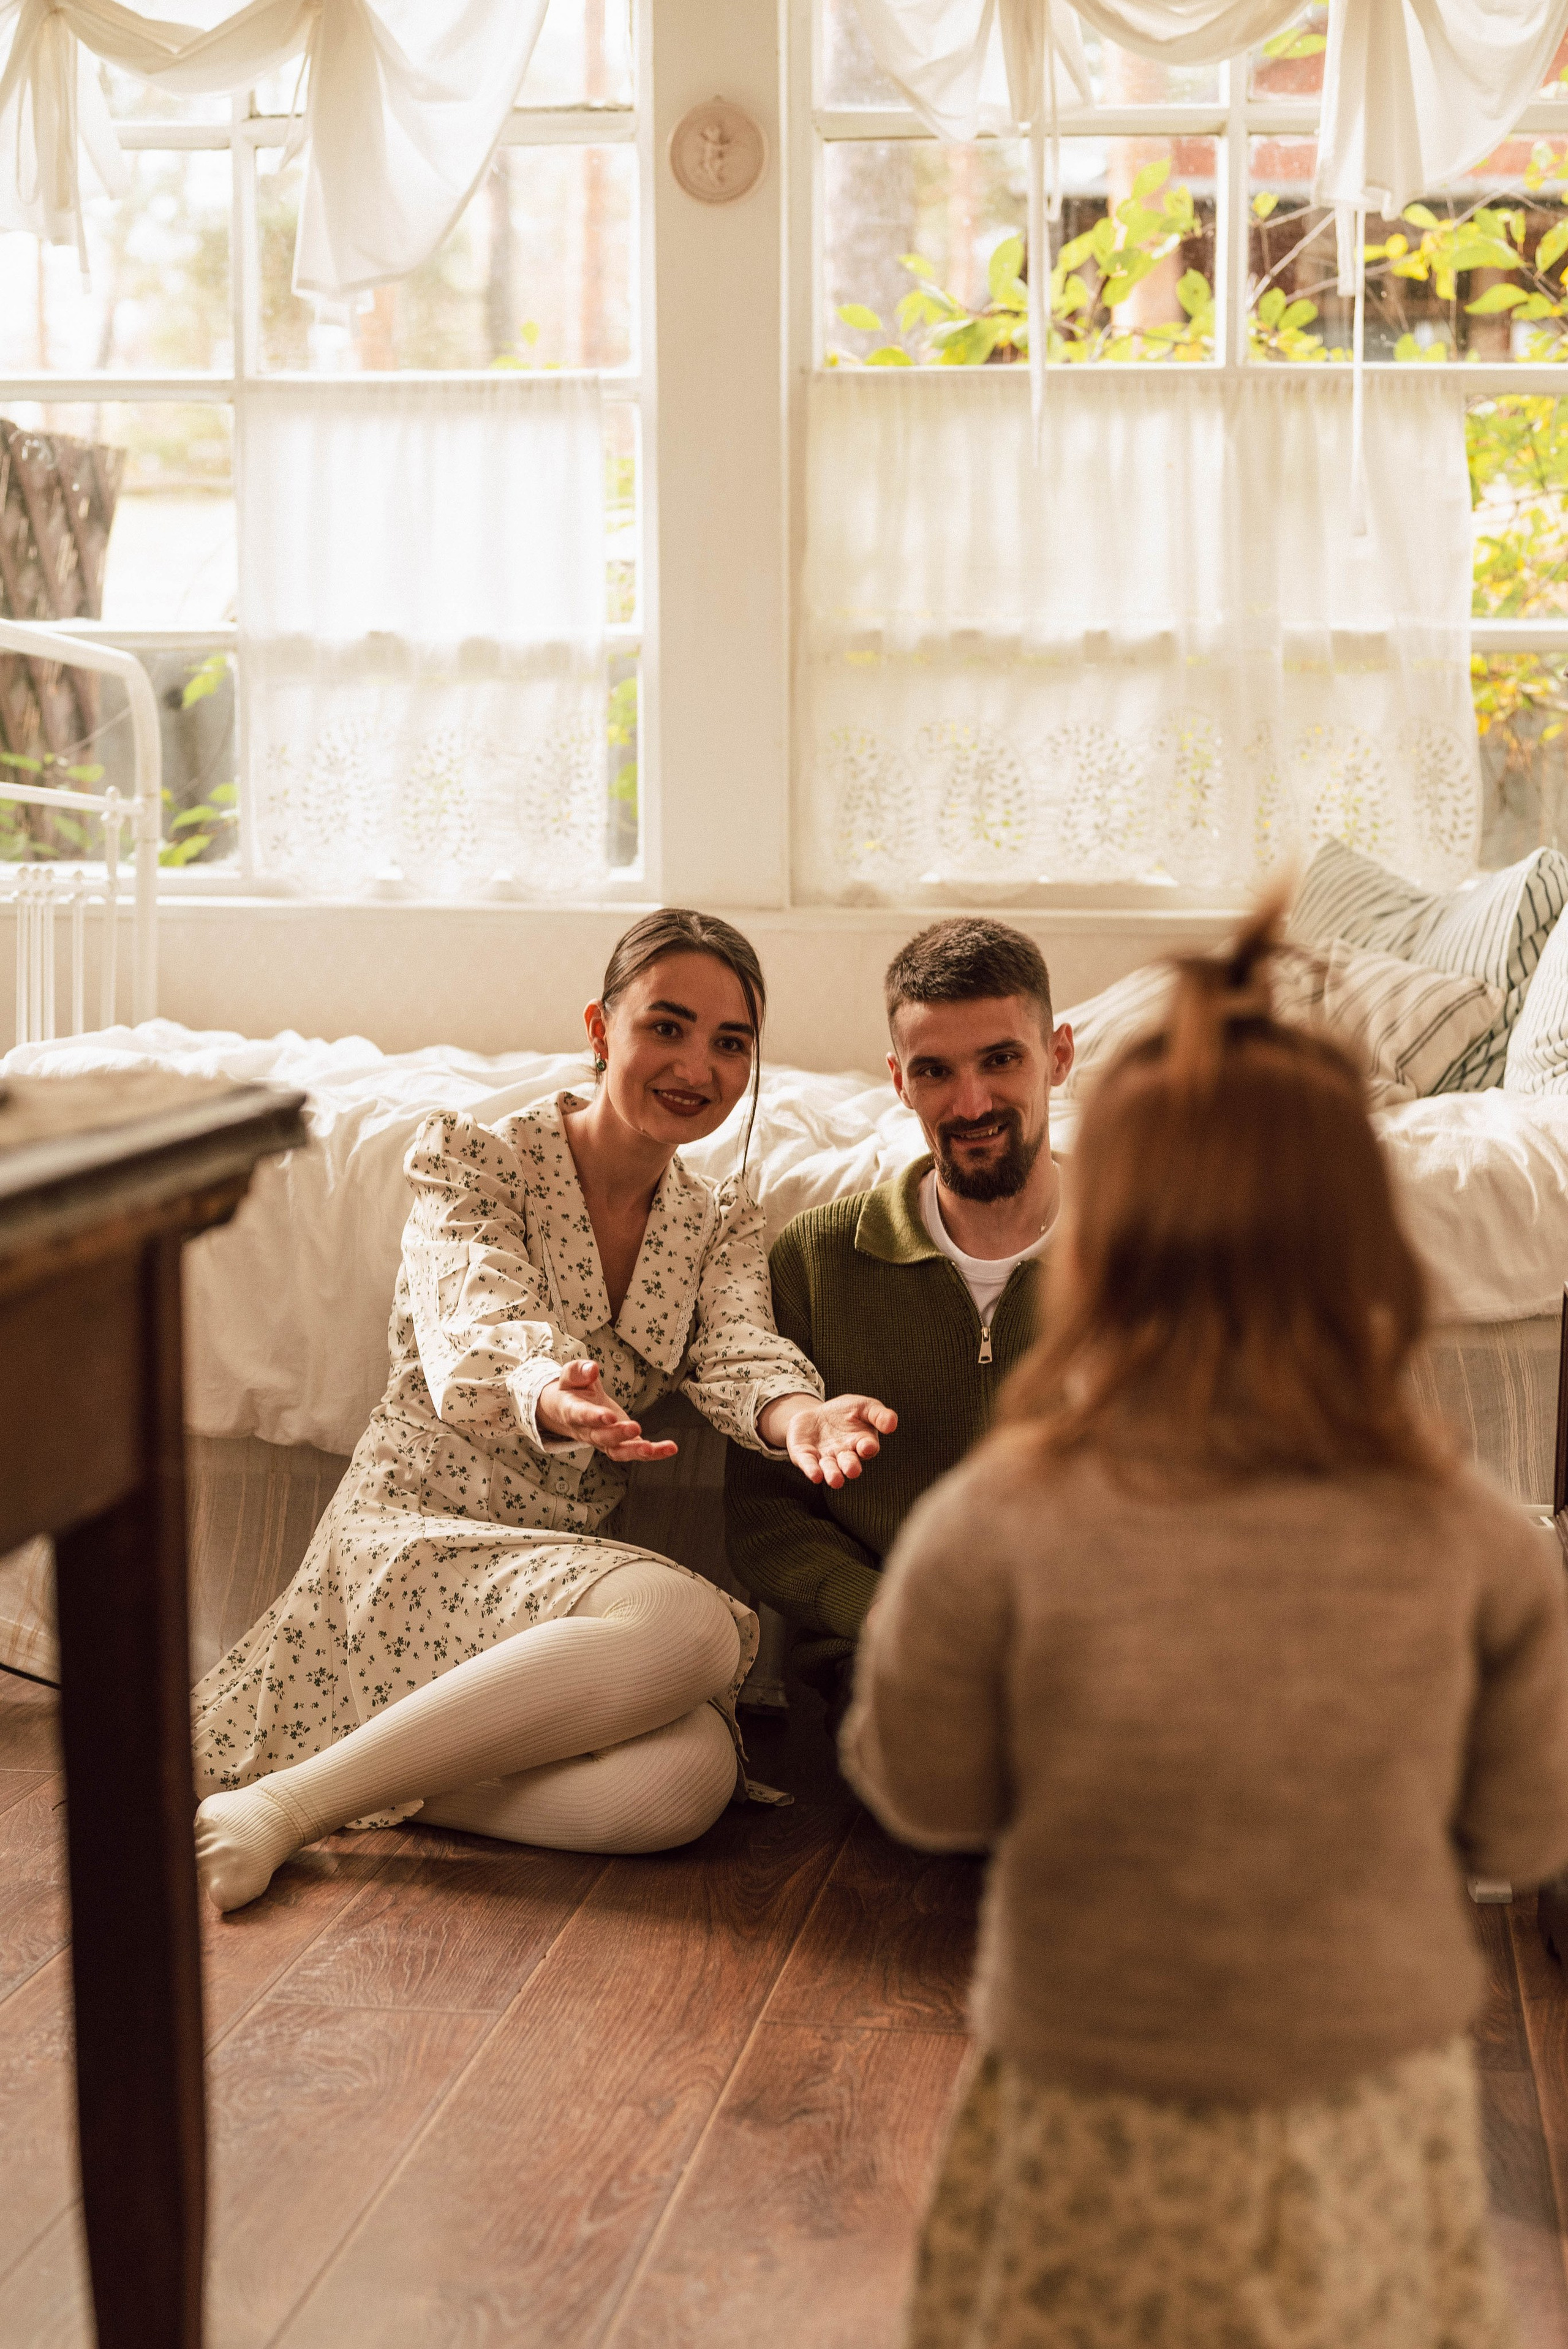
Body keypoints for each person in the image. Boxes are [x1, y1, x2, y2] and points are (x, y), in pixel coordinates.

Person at [843, 905, 1568, 2349]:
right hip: (1359, 2110)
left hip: (1081, 2095)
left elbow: (917, 1783)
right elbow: (1522, 1832)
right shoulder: (1480, 1539)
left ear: (1104, 1235)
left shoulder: (996, 1516)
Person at [191, 908, 895, 1914]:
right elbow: (471, 1315)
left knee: (689, 1778)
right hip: (416, 1540)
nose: (697, 1063)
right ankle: (284, 1808)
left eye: (729, 1042)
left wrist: (801, 1418)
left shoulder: (718, 1220)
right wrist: (545, 1391)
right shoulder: (473, 1160)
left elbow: (741, 1348)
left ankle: (351, 1763)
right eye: (668, 1025)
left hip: (549, 1582)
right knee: (690, 1630)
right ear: (603, 1031)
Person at [725, 918, 1072, 1730]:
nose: (973, 1102)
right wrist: (889, 1615)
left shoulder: (1152, 1254)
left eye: (1001, 1059)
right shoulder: (816, 1258)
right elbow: (765, 1521)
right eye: (935, 1071)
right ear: (898, 1082)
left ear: (1057, 1055)